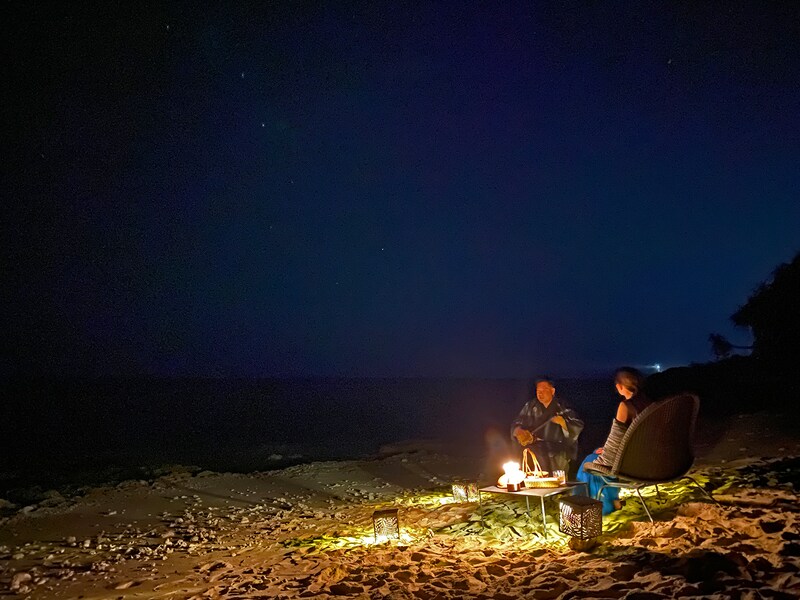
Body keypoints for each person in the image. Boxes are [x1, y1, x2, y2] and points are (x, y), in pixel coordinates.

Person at [576, 367, 653, 514]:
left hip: (632, 464)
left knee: (590, 461)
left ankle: (600, 505)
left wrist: (605, 452)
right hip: (650, 459)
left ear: (619, 387)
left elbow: (616, 437)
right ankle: (613, 499)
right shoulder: (651, 405)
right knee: (597, 453)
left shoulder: (626, 406)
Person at [510, 377, 584, 474]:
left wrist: (563, 422)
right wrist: (519, 431)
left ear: (552, 391)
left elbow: (577, 425)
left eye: (544, 390)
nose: (540, 394)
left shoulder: (562, 406)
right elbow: (518, 422)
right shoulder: (530, 406)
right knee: (527, 459)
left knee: (557, 468)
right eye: (538, 391)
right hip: (534, 447)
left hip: (557, 448)